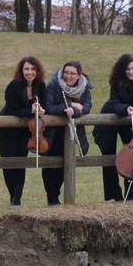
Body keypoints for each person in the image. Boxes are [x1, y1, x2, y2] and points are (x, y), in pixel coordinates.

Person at [92, 54, 133, 201]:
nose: (131, 72)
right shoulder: (116, 82)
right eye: (127, 69)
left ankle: (130, 193)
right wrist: (126, 108)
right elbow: (114, 102)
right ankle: (113, 194)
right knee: (109, 154)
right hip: (112, 117)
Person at [0, 56, 47, 206]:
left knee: (21, 163)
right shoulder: (13, 86)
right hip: (7, 130)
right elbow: (13, 109)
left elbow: (44, 104)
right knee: (9, 163)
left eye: (32, 69)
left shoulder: (41, 86)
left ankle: (17, 198)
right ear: (21, 70)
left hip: (26, 131)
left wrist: (42, 110)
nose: (29, 72)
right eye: (26, 69)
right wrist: (30, 111)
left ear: (37, 71)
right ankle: (13, 195)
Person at [42, 61, 93, 205]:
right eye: (66, 72)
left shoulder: (84, 88)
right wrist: (68, 106)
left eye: (72, 73)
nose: (68, 76)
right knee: (50, 166)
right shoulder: (53, 85)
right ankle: (51, 197)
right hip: (53, 133)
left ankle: (55, 195)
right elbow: (49, 107)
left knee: (66, 164)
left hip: (71, 132)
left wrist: (75, 110)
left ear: (79, 75)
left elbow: (87, 107)